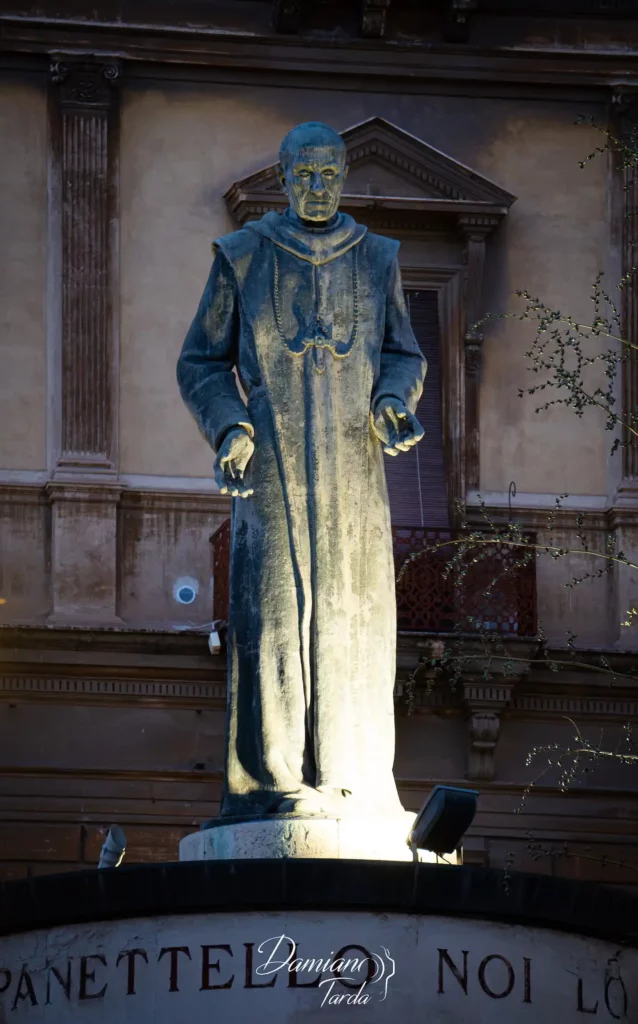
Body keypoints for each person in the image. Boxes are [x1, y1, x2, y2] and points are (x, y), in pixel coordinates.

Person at [177, 121, 426, 820]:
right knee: (273, 619)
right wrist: (230, 426)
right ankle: (272, 781)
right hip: (272, 471)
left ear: (343, 178)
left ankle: (355, 777)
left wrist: (391, 400)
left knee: (354, 616)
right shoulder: (243, 256)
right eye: (304, 175)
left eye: (330, 174)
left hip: (353, 472)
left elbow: (404, 353)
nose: (318, 188)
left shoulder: (378, 258)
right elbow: (200, 360)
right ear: (282, 179)